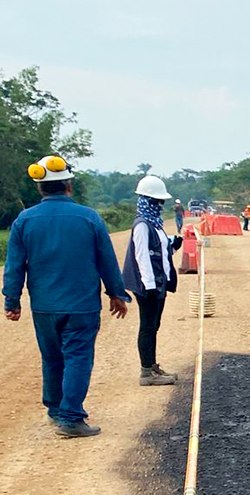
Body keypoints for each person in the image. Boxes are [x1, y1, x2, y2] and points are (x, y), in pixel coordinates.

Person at [3, 155, 130, 438]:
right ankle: (71, 418)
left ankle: (55, 409)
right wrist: (116, 293)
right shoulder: (89, 217)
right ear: (69, 185)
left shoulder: (24, 220)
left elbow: (14, 266)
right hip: (81, 306)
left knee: (51, 357)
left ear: (40, 188)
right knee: (78, 357)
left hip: (44, 307)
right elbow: (106, 261)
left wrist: (11, 301)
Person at [122, 176, 183, 387]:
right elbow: (142, 256)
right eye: (157, 201)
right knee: (147, 326)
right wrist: (149, 286)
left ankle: (152, 365)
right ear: (147, 201)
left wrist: (174, 246)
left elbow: (160, 253)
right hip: (148, 285)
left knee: (154, 325)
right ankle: (146, 373)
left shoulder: (155, 225)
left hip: (158, 282)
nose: (160, 205)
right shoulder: (142, 225)